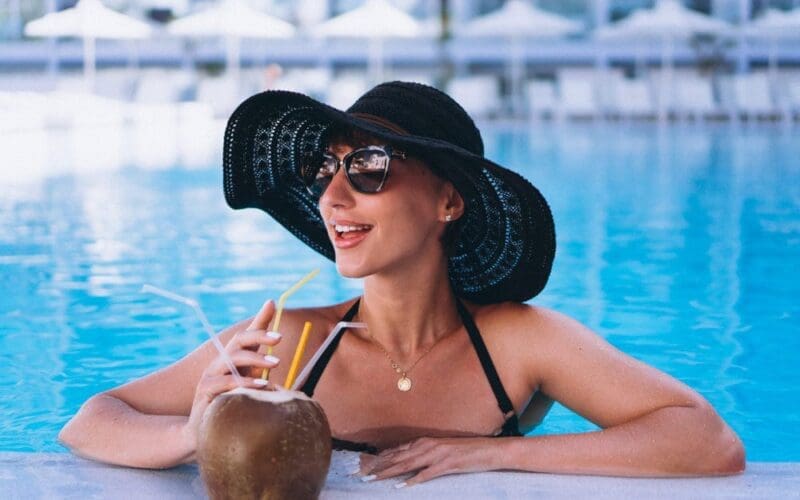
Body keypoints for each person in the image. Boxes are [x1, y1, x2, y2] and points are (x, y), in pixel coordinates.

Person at [59, 81, 745, 486]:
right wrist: (196, 430)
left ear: (449, 201)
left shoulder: (515, 342)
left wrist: (487, 456)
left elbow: (707, 442)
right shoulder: (291, 340)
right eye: (324, 171)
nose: (334, 196)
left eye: (370, 166)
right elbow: (91, 420)